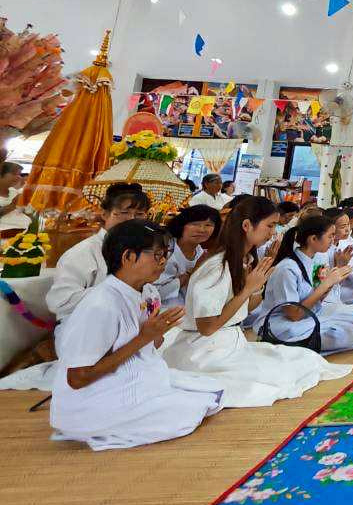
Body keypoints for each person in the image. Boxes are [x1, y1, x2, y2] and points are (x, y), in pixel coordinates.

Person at [50, 220, 223, 450]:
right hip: (95, 399)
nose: (163, 263)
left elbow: (152, 346)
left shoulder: (149, 292)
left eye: (165, 255)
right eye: (157, 255)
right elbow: (77, 378)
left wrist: (158, 332)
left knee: (211, 390)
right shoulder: (100, 304)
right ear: (128, 257)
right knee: (188, 411)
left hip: (137, 375)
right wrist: (145, 336)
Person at [164, 198, 351, 407]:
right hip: (204, 351)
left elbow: (245, 308)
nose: (273, 232)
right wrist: (246, 290)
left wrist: (260, 285)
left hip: (229, 341)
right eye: (269, 225)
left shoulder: (243, 260)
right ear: (246, 226)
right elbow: (207, 327)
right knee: (273, 378)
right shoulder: (217, 266)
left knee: (304, 359)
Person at [256, 214, 353, 354]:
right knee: (344, 334)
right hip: (283, 325)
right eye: (330, 236)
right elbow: (294, 315)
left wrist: (331, 282)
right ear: (313, 239)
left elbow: (316, 298)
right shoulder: (286, 268)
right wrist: (325, 284)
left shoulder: (312, 260)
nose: (333, 240)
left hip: (308, 315)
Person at [47, 183, 151, 321]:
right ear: (104, 214)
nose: (131, 220)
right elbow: (60, 302)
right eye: (124, 213)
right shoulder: (83, 253)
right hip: (83, 327)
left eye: (139, 214)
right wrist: (120, 288)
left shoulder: (142, 251)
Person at [155, 205, 220, 308]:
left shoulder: (200, 252)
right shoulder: (166, 251)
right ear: (182, 225)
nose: (202, 230)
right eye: (195, 224)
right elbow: (155, 293)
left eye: (208, 225)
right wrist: (191, 273)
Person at [0, 161, 26, 232]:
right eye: (14, 174)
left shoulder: (14, 191)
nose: (19, 177)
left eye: (19, 174)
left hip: (24, 233)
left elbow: (24, 211)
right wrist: (12, 205)